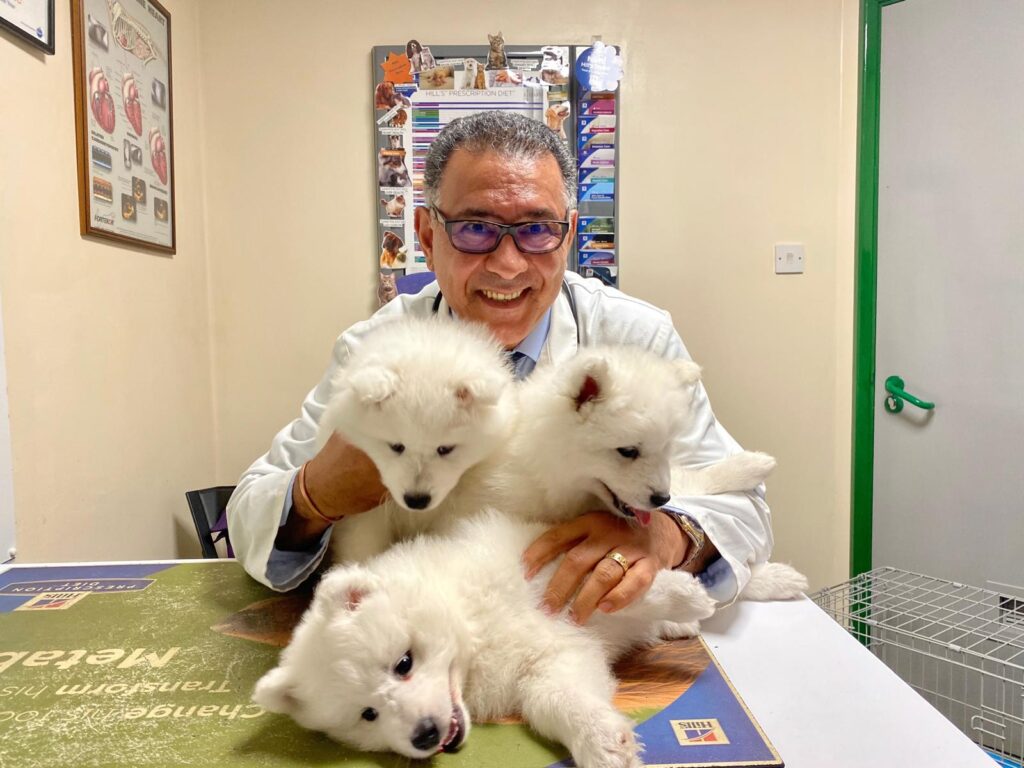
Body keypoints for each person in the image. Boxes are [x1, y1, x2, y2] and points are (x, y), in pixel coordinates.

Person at [227, 111, 773, 623]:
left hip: (590, 631)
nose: (508, 264)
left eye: (537, 230)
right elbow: (249, 509)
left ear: (569, 234)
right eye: (474, 228)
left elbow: (743, 507)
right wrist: (314, 495)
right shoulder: (376, 349)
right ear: (425, 235)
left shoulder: (634, 339)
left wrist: (668, 537)